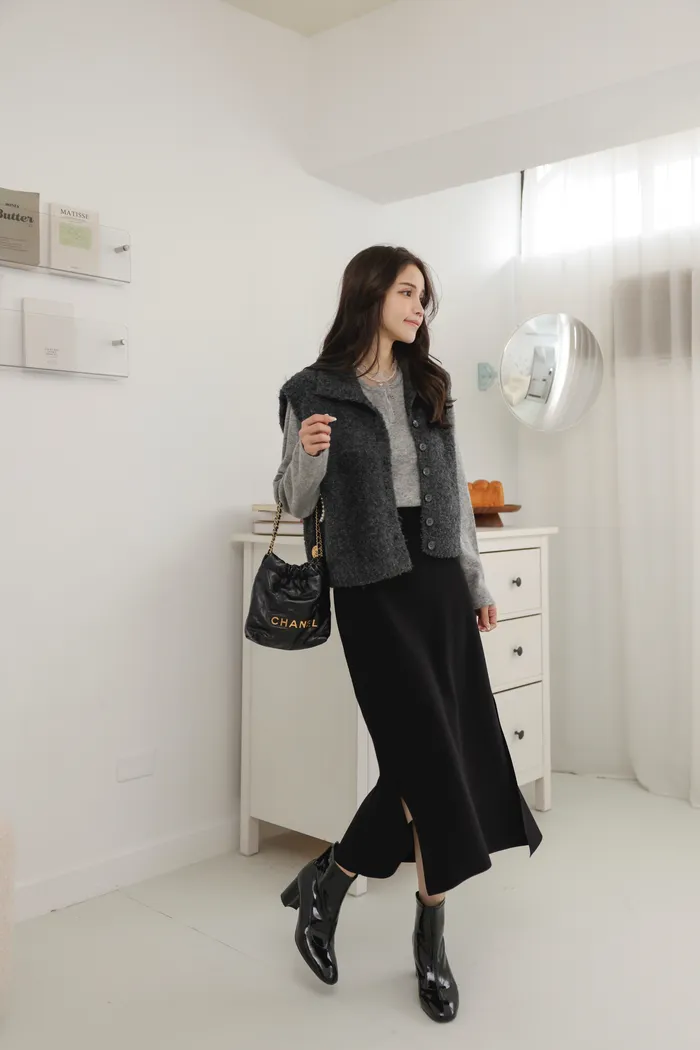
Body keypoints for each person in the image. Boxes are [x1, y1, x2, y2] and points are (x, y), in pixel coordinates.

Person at [273, 245, 542, 1023]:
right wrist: (310, 456)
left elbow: (453, 492)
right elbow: (293, 500)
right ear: (369, 294)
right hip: (369, 585)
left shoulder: (431, 385)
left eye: (425, 296)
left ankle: (397, 915)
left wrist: (475, 581)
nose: (420, 307)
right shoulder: (310, 390)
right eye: (407, 292)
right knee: (426, 752)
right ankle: (344, 889)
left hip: (435, 576)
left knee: (441, 752)